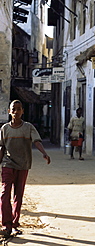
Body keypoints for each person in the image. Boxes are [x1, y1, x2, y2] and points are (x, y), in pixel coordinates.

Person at [0, 100, 51, 237]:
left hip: (23, 165)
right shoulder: (4, 129)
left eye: (18, 109)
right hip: (7, 164)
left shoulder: (28, 127)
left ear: (23, 111)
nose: (16, 112)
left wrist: (44, 153)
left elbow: (36, 141)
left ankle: (15, 225)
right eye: (13, 109)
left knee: (18, 195)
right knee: (4, 194)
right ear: (9, 111)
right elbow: (2, 147)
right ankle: (6, 224)